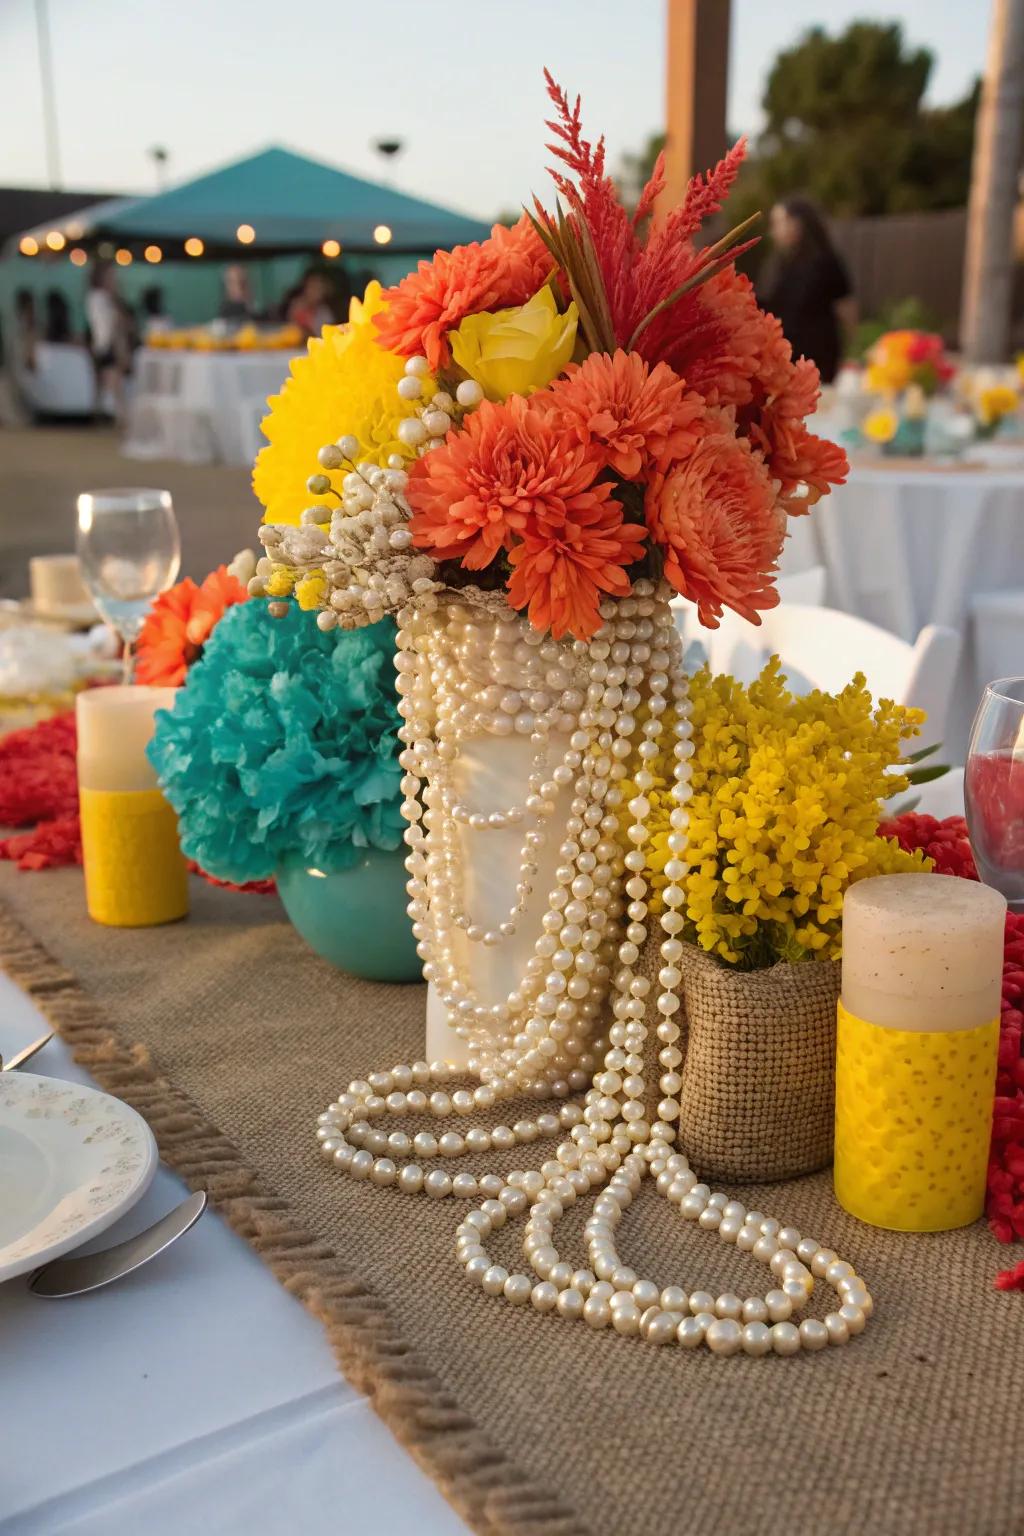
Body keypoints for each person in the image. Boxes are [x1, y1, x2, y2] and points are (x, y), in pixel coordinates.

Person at [758, 197, 856, 384]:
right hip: (784, 356)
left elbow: (847, 308)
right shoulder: (778, 264)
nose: (774, 231)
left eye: (779, 222)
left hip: (818, 355)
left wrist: (851, 349)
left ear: (797, 223)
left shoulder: (826, 262)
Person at [85, 261, 129, 420]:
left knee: (105, 384)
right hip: (106, 344)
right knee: (113, 384)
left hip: (102, 344)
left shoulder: (98, 298)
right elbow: (113, 324)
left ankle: (102, 414)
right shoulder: (99, 298)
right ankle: (119, 416)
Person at [286, 269, 338, 336]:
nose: (315, 292)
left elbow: (328, 336)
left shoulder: (325, 313)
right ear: (305, 287)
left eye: (319, 288)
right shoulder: (297, 305)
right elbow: (289, 330)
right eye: (312, 287)